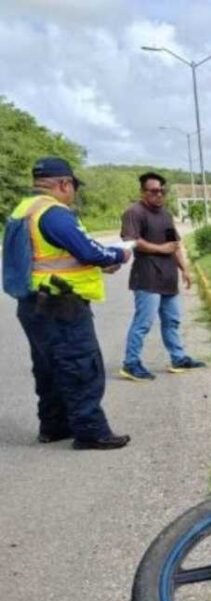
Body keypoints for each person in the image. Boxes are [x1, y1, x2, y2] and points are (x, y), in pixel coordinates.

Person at [4, 157, 134, 449]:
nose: (73, 193)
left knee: (48, 367)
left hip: (32, 302)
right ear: (63, 183)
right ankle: (90, 431)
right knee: (80, 364)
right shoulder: (54, 213)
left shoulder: (23, 210)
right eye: (73, 186)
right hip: (60, 303)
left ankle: (54, 426)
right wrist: (117, 256)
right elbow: (88, 250)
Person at [119, 171, 205, 380]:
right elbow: (133, 240)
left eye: (162, 191)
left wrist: (184, 269)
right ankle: (131, 363)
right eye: (153, 191)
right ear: (143, 192)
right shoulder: (134, 212)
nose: (158, 195)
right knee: (143, 322)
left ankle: (178, 358)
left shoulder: (165, 215)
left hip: (168, 278)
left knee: (172, 321)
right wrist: (160, 249)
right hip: (147, 277)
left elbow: (174, 245)